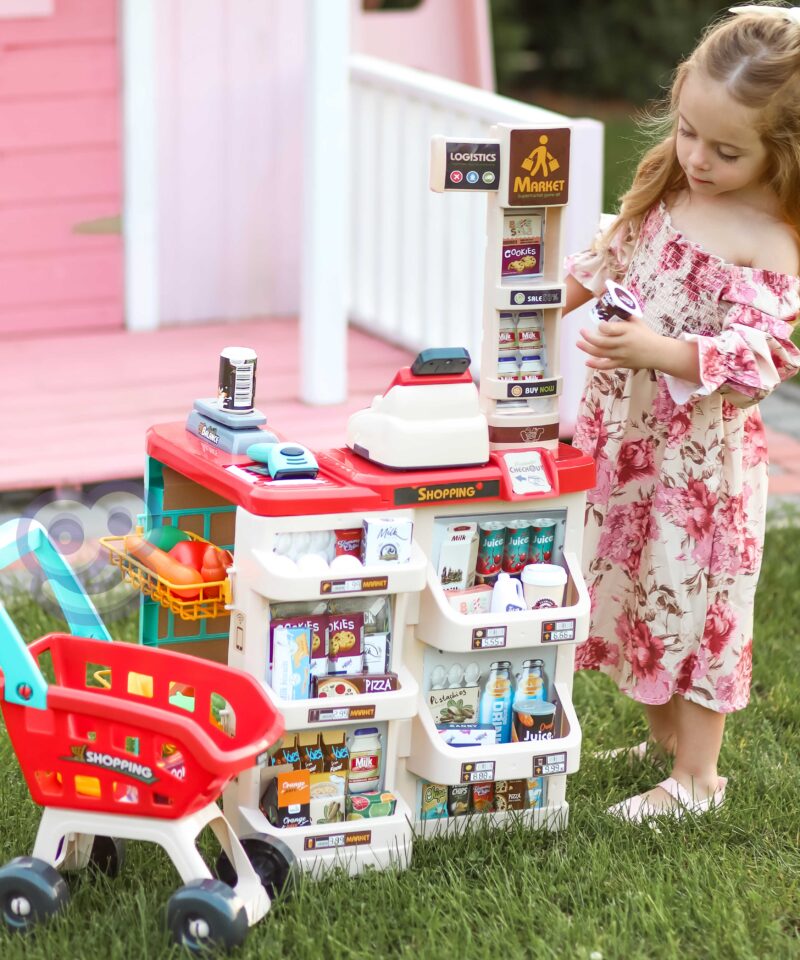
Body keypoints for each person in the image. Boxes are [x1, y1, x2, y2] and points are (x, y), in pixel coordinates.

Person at [563, 4, 800, 821]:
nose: (697, 157)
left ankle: (697, 779)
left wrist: (658, 350)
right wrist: (529, 306)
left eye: (726, 150)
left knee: (695, 606)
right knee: (631, 588)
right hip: (631, 449)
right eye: (689, 130)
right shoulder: (673, 184)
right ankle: (663, 739)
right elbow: (611, 256)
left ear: (784, 152)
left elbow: (756, 361)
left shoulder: (767, 236)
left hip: (700, 470)